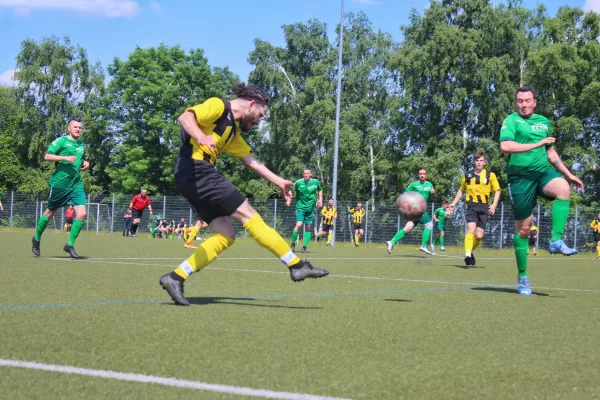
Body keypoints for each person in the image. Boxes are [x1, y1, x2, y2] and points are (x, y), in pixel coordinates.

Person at [159, 83, 328, 306]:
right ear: (250, 104)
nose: (260, 120)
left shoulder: (232, 132)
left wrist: (279, 182)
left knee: (226, 235)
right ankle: (295, 265)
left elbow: (251, 161)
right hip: (196, 169)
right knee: (249, 215)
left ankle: (176, 277)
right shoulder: (217, 106)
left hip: (191, 176)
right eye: (261, 114)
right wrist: (201, 137)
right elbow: (185, 118)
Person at [500, 86, 583, 295]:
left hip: (542, 172)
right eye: (520, 101)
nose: (524, 104)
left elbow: (551, 153)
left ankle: (556, 240)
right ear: (516, 103)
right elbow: (506, 146)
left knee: (563, 188)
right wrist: (537, 144)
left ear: (535, 102)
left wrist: (568, 174)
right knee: (524, 230)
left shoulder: (544, 122)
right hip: (519, 179)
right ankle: (523, 276)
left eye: (527, 100)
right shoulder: (512, 121)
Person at [32, 117, 90, 258]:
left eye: (80, 128)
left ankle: (69, 244)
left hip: (76, 184)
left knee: (82, 213)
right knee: (50, 213)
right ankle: (37, 238)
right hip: (60, 184)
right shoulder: (61, 141)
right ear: (69, 129)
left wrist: (85, 164)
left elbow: (80, 160)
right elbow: (46, 156)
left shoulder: (82, 144)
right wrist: (64, 158)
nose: (78, 129)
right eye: (75, 127)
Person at [448, 152, 501, 266]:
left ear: (485, 162)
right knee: (471, 229)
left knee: (479, 236)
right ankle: (467, 255)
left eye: (481, 160)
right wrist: (453, 203)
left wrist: (494, 204)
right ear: (474, 162)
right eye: (477, 160)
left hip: (484, 206)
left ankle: (470, 251)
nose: (479, 162)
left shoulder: (490, 175)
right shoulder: (467, 176)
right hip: (471, 205)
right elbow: (461, 190)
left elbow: (497, 190)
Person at [386, 168, 435, 255]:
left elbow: (432, 198)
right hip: (418, 209)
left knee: (408, 227)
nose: (422, 175)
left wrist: (433, 193)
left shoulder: (430, 185)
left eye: (424, 174)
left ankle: (391, 242)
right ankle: (423, 246)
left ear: (426, 175)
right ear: (418, 175)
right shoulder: (414, 184)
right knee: (429, 224)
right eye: (420, 174)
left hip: (418, 211)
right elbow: (405, 195)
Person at [289, 168, 323, 253]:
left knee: (308, 227)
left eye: (308, 173)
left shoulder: (315, 182)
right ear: (303, 174)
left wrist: (320, 199)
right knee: (299, 224)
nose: (306, 174)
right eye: (305, 173)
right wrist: (289, 198)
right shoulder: (298, 182)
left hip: (310, 209)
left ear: (310, 174)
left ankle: (304, 247)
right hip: (300, 207)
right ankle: (293, 243)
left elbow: (320, 189)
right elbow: (291, 190)